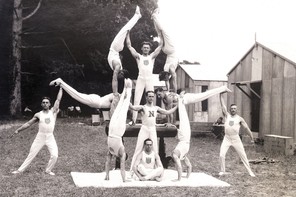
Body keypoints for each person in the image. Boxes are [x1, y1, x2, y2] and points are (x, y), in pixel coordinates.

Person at [10, 87, 63, 175]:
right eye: (43, 102)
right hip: (40, 137)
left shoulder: (53, 111)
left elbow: (58, 99)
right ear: (41, 104)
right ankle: (20, 170)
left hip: (50, 136)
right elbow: (28, 124)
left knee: (55, 155)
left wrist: (61, 88)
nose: (45, 104)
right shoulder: (38, 114)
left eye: (47, 102)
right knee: (32, 154)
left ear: (50, 104)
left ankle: (48, 170)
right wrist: (18, 130)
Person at [129, 90, 178, 172]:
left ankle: (157, 169)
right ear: (146, 97)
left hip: (152, 129)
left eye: (152, 96)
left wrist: (177, 106)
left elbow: (167, 112)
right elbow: (133, 107)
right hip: (144, 128)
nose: (151, 98)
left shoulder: (156, 108)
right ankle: (132, 169)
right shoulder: (143, 107)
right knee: (138, 149)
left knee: (155, 150)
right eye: (149, 96)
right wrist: (127, 99)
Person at [108, 6, 141, 116]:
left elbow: (115, 80)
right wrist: (115, 92)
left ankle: (136, 16)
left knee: (125, 29)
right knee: (125, 29)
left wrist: (115, 93)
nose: (119, 75)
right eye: (121, 74)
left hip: (115, 49)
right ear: (123, 72)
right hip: (115, 49)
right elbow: (116, 79)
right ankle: (137, 16)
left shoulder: (117, 68)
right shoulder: (118, 67)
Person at [126, 26, 163, 125]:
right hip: (141, 79)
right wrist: (127, 33)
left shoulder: (152, 57)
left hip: (149, 79)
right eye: (144, 47)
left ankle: (152, 121)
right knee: (136, 99)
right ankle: (133, 120)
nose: (146, 49)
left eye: (147, 48)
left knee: (151, 99)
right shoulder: (139, 57)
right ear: (142, 49)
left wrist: (161, 34)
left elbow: (160, 46)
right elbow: (129, 46)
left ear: (150, 49)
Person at [218, 92, 256, 177]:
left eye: (235, 108)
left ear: (236, 110)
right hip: (227, 138)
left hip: (236, 139)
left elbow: (246, 128)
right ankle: (222, 171)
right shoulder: (227, 115)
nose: (233, 110)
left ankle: (250, 171)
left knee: (243, 155)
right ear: (230, 109)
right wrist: (221, 95)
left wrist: (252, 138)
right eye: (232, 108)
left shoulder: (239, 119)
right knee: (221, 155)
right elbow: (222, 104)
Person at [155, 85, 232, 123]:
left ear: (163, 91)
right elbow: (168, 110)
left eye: (159, 94)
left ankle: (223, 88)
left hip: (187, 98)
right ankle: (222, 89)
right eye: (157, 95)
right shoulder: (164, 98)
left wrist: (170, 124)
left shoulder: (168, 97)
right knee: (205, 95)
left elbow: (170, 112)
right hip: (184, 100)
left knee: (205, 95)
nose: (158, 96)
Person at [105, 79, 132, 182]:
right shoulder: (114, 152)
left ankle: (126, 88)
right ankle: (126, 88)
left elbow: (109, 163)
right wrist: (124, 180)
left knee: (122, 108)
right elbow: (121, 166)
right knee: (121, 108)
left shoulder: (113, 152)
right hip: (112, 132)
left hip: (115, 132)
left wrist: (107, 176)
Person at [49, 77, 114, 112]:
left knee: (76, 95)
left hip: (96, 102)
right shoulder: (116, 96)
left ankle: (61, 83)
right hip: (96, 101)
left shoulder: (118, 98)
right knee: (75, 95)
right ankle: (61, 82)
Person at [152, 8, 178, 93]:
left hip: (169, 50)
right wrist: (174, 93)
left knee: (161, 32)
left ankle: (155, 16)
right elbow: (172, 79)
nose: (166, 79)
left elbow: (170, 81)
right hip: (169, 50)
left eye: (165, 78)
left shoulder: (166, 69)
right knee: (161, 32)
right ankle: (155, 17)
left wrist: (171, 92)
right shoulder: (169, 69)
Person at [171, 95, 192, 181]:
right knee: (183, 117)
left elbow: (189, 166)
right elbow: (180, 167)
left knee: (183, 118)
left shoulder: (181, 156)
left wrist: (186, 177)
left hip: (187, 141)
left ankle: (180, 100)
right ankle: (180, 100)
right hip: (184, 138)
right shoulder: (175, 154)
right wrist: (179, 179)